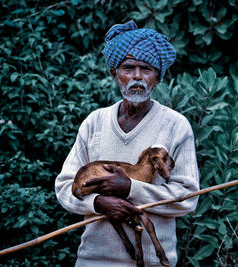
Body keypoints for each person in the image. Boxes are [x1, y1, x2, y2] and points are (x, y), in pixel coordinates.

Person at [55, 20, 199, 267]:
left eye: (147, 69)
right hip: (93, 260)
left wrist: (130, 188)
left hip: (154, 263)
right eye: (128, 67)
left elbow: (187, 197)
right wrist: (98, 203)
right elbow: (65, 187)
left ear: (157, 78)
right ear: (114, 74)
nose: (137, 77)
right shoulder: (94, 123)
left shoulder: (176, 125)